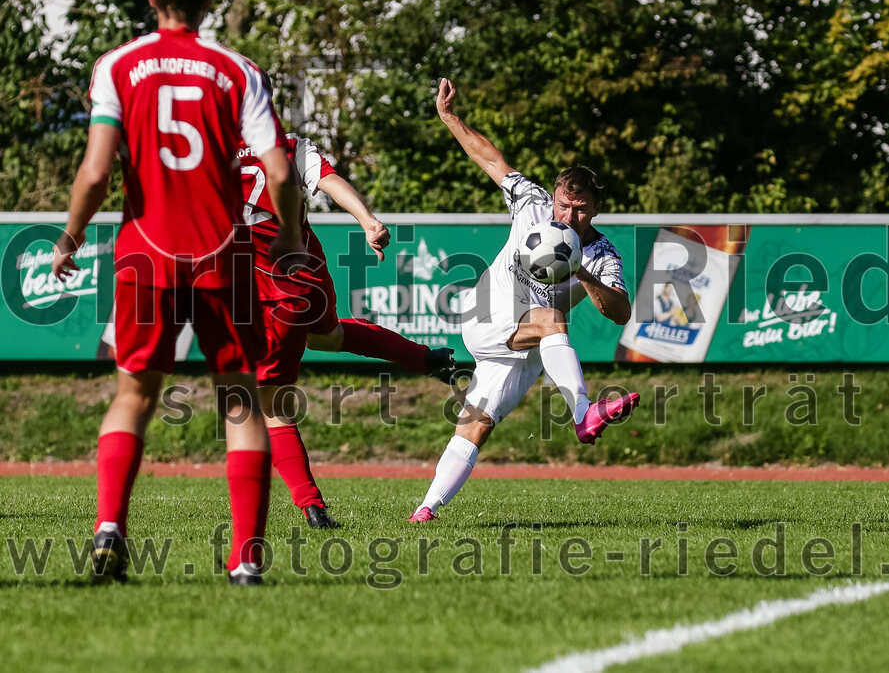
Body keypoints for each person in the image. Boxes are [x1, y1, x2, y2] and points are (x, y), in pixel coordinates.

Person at [51, 0, 304, 586]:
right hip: (223, 252)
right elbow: (279, 171)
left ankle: (110, 528)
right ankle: (245, 558)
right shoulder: (237, 69)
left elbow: (96, 171)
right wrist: (292, 239)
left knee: (134, 394)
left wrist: (70, 237)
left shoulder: (117, 66)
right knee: (242, 400)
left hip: (145, 252)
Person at [408, 78, 641, 522]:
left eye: (581, 209)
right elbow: (489, 158)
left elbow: (620, 312)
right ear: (552, 197)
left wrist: (581, 269)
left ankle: (426, 509)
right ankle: (583, 414)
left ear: (596, 209)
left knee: (474, 424)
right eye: (564, 205)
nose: (569, 216)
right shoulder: (531, 203)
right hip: (487, 316)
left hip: (529, 351)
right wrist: (449, 116)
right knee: (552, 315)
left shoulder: (602, 254)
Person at [237, 128, 456, 528]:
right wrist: (367, 220)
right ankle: (426, 358)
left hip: (269, 292)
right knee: (329, 337)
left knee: (272, 407)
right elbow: (329, 180)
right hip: (309, 276)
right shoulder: (287, 143)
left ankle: (311, 505)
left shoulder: (206, 151)